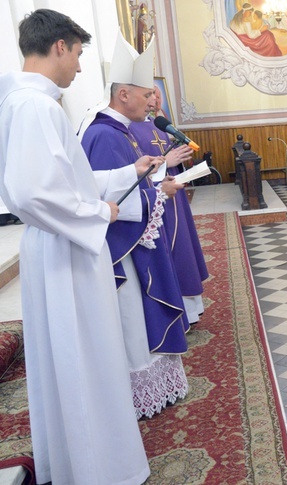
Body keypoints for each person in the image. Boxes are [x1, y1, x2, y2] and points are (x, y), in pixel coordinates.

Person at [0, 9, 154, 484]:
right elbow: (31, 192)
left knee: (76, 355)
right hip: (65, 247)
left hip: (56, 242)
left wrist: (130, 173)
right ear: (60, 46)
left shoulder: (23, 100)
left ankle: (80, 461)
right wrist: (98, 214)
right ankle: (99, 468)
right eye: (80, 53)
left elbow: (71, 181)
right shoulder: (37, 105)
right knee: (85, 357)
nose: (81, 68)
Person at [81, 36, 191, 419]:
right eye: (147, 94)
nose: (152, 102)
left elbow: (129, 186)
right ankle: (135, 388)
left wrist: (154, 184)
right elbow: (109, 201)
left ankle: (151, 384)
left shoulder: (121, 130)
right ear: (123, 93)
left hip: (136, 239)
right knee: (131, 316)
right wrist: (163, 190)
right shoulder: (104, 135)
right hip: (123, 251)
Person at [129, 87, 209, 325]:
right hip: (156, 197)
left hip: (175, 194)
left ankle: (191, 309)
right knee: (171, 251)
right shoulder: (129, 128)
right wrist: (167, 163)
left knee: (183, 249)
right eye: (148, 94)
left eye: (154, 94)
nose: (153, 99)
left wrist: (178, 158)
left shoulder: (157, 123)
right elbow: (135, 168)